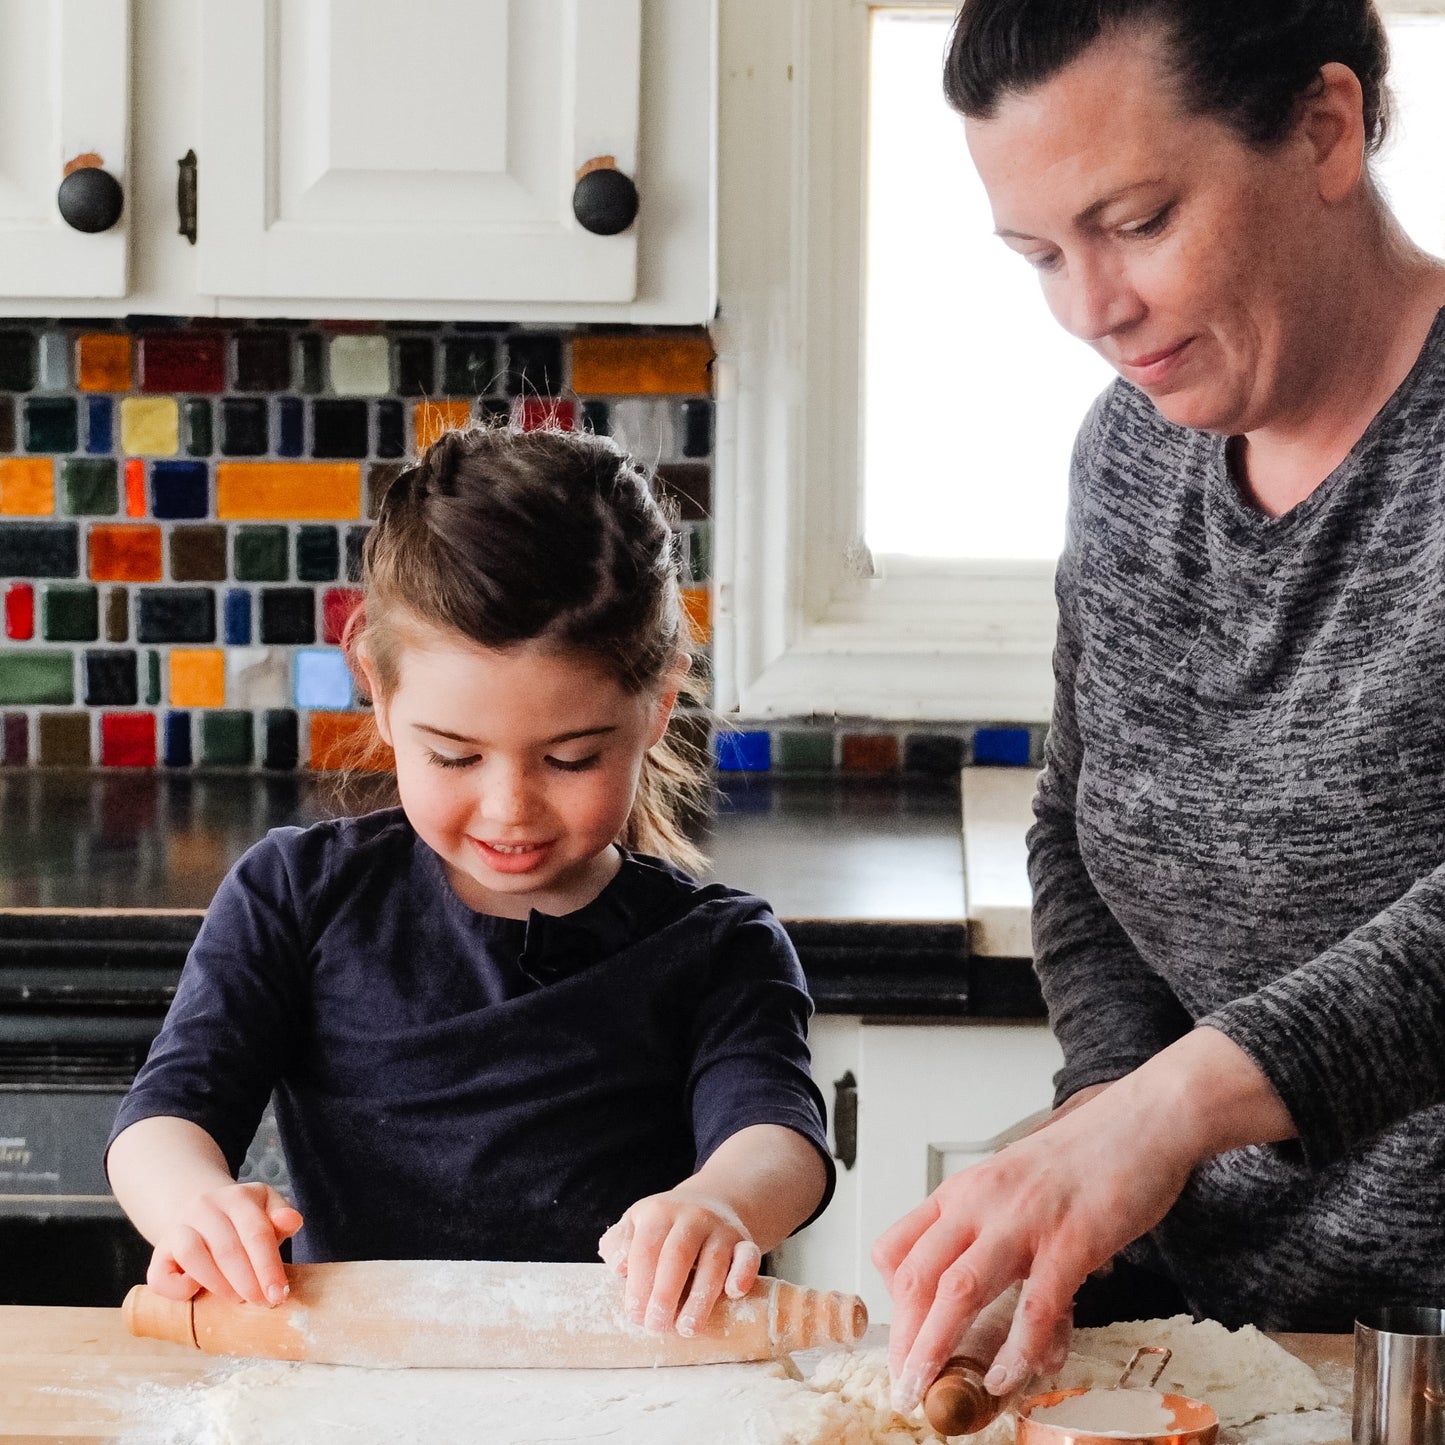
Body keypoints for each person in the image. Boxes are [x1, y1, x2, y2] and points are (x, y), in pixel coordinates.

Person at [875, 0, 1445, 1416]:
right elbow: (1079, 827)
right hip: (1212, 1337)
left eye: (1134, 219)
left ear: (1324, 126)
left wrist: (1165, 1111)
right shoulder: (1134, 448)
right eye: (1038, 255)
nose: (1088, 308)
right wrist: (1104, 1143)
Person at [106, 424, 833, 1340]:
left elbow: (777, 1138)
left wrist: (722, 1205)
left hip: (624, 1399)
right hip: (364, 1388)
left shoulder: (718, 946)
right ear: (377, 687)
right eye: (453, 755)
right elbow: (163, 1117)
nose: (509, 808)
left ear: (655, 705)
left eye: (570, 758)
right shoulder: (297, 897)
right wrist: (195, 1202)